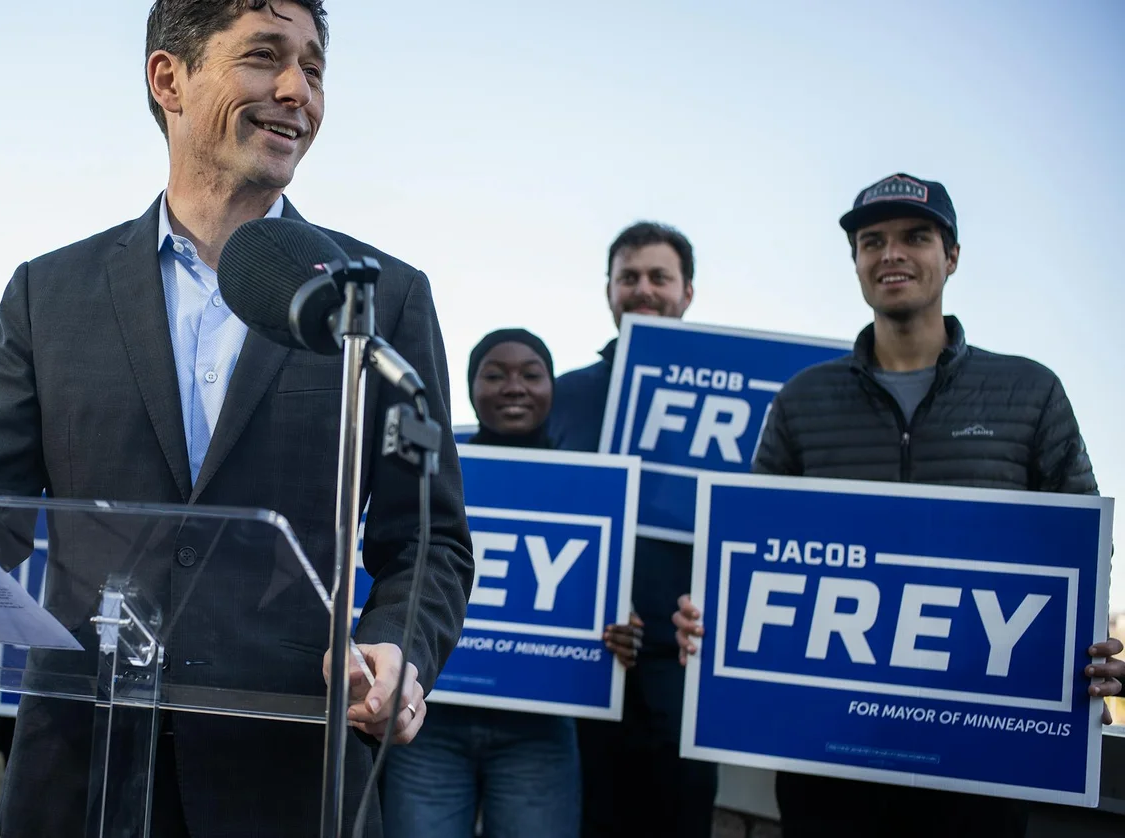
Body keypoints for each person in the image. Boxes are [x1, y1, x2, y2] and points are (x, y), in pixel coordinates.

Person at [0, 3, 475, 837]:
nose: (295, 90)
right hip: (79, 773)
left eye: (313, 68)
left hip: (289, 779)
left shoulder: (380, 299)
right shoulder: (46, 296)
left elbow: (430, 541)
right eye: (264, 56)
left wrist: (399, 649)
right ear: (169, 78)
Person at [671, 173, 1125, 837]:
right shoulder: (803, 399)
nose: (891, 255)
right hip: (829, 754)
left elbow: (1084, 539)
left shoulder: (1029, 391)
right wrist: (709, 617)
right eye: (871, 241)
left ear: (953, 256)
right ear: (854, 260)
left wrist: (1091, 644)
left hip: (980, 751)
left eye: (916, 237)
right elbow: (754, 540)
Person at [546, 222, 717, 837]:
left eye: (659, 277)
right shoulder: (563, 396)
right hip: (582, 666)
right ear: (609, 290)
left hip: (689, 673)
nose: (643, 290)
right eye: (629, 277)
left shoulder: (743, 399)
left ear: (688, 292)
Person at [381, 328, 578, 837]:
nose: (514, 386)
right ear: (469, 389)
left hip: (541, 729)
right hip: (431, 720)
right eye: (495, 374)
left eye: (531, 374)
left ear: (551, 387)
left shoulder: (593, 479)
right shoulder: (426, 466)